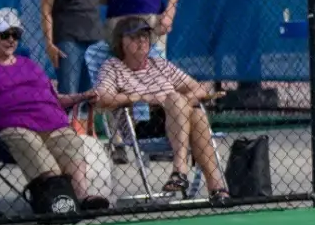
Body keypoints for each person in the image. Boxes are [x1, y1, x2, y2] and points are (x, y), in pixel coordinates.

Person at [0, 9, 106, 216]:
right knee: (27, 139)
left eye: (16, 35)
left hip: (50, 122)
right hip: (6, 127)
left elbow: (55, 99)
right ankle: (57, 196)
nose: (11, 40)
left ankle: (81, 196)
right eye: (5, 35)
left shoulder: (30, 65)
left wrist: (82, 95)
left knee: (69, 139)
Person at [94, 15, 229, 205]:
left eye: (145, 36)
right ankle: (209, 183)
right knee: (188, 107)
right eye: (134, 37)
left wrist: (181, 101)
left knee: (190, 108)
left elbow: (198, 88)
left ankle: (192, 178)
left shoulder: (159, 64)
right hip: (142, 123)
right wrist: (140, 98)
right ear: (120, 42)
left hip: (178, 117)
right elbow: (102, 98)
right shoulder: (113, 67)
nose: (142, 40)